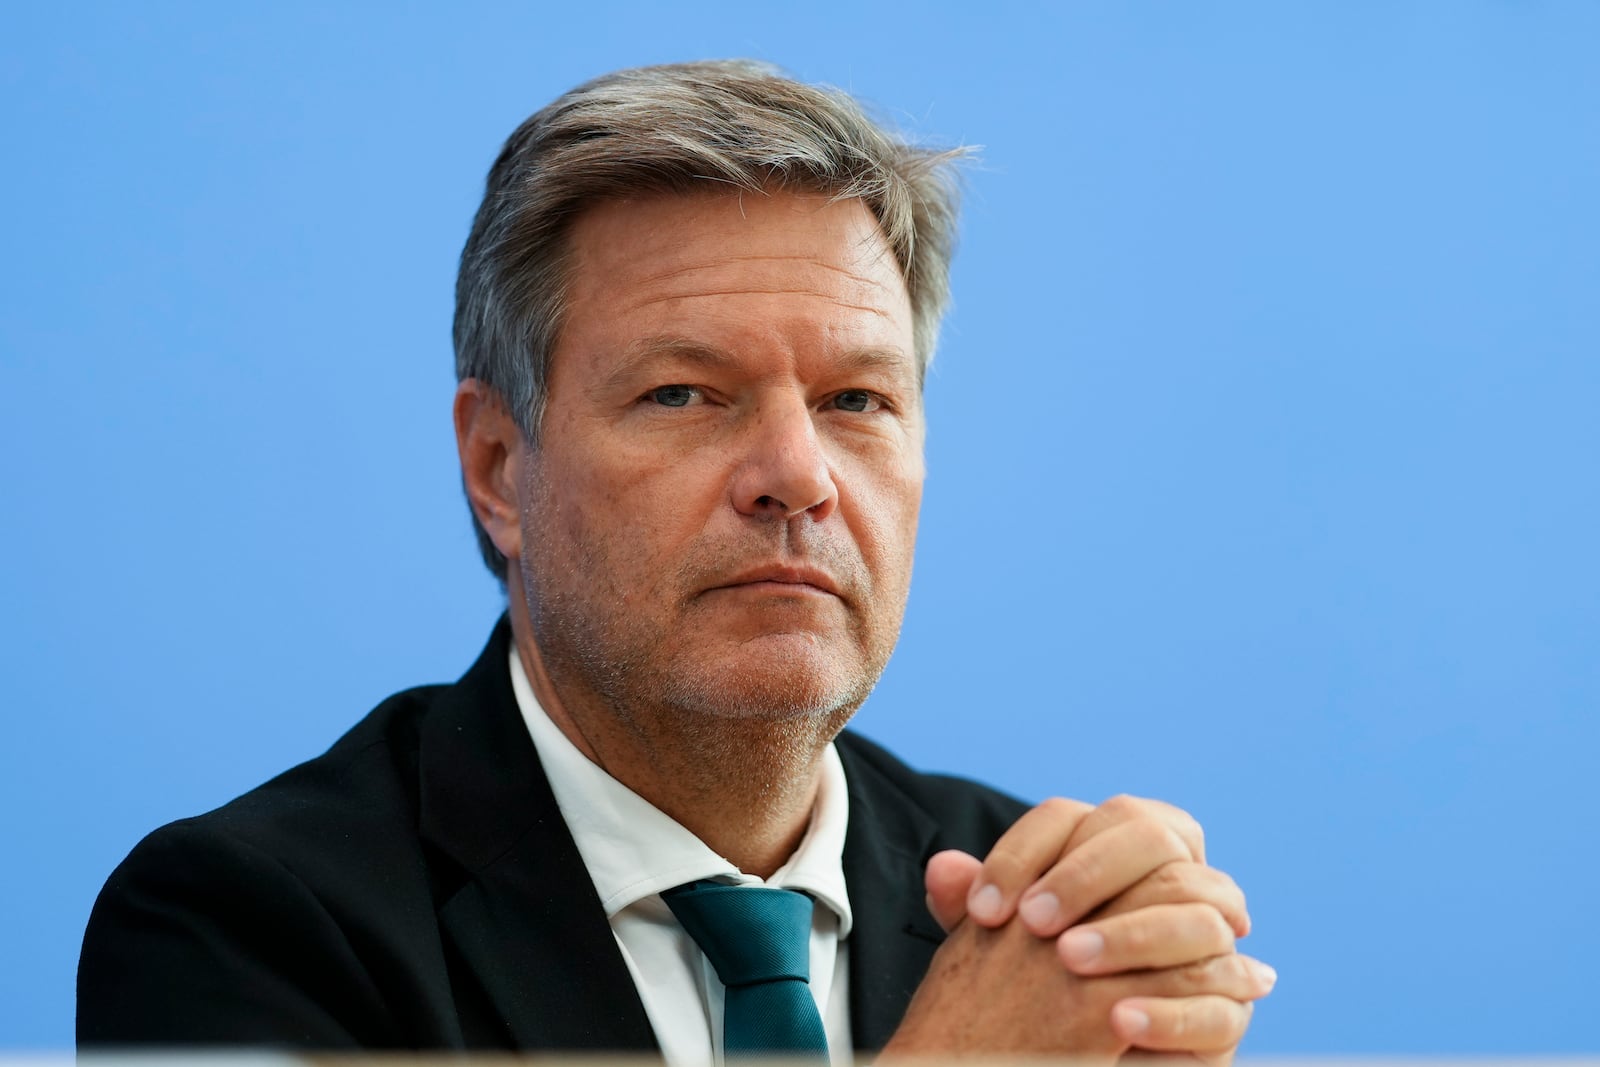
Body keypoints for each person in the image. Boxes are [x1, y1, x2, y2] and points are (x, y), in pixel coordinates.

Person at [78, 60, 1274, 1061]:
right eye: (683, 392)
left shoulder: (1025, 913)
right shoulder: (245, 923)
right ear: (501, 464)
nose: (796, 474)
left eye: (856, 397)